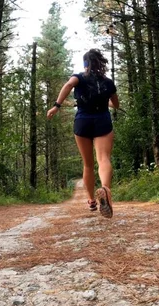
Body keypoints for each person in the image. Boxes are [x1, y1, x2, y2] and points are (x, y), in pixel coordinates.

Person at [47, 49, 119, 218]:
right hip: (102, 121)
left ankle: (91, 201)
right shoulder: (108, 82)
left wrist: (56, 106)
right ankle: (106, 189)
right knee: (103, 159)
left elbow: (68, 85)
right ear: (100, 63)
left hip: (82, 122)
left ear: (85, 63)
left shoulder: (79, 77)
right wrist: (106, 103)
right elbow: (115, 104)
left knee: (88, 164)